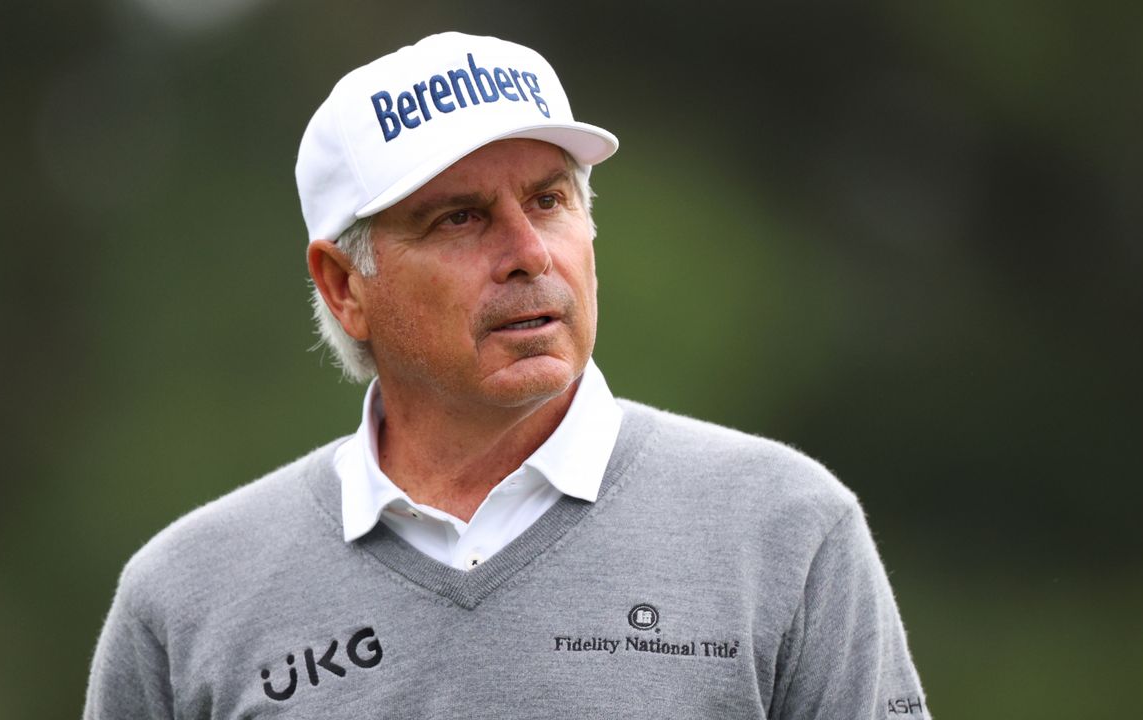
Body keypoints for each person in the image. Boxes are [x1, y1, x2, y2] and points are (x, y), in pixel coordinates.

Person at [84, 31, 929, 719]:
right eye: (461, 218)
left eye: (552, 200)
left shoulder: (786, 531)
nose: (529, 254)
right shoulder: (186, 599)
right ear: (345, 287)